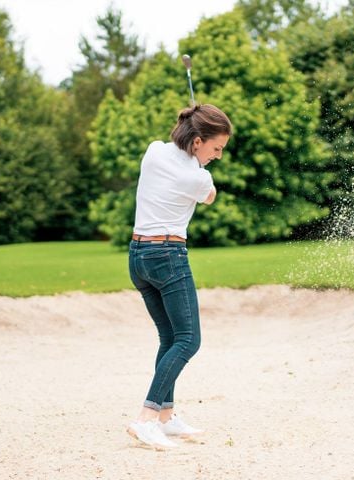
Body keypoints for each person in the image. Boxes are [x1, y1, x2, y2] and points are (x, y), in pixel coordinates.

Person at [127, 104, 232, 448]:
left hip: (138, 257)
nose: (217, 156)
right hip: (168, 256)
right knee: (188, 340)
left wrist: (195, 157)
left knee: (170, 337)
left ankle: (165, 416)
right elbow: (210, 197)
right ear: (198, 141)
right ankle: (146, 418)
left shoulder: (154, 151)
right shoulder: (197, 177)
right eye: (216, 148)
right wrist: (200, 168)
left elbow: (175, 152)